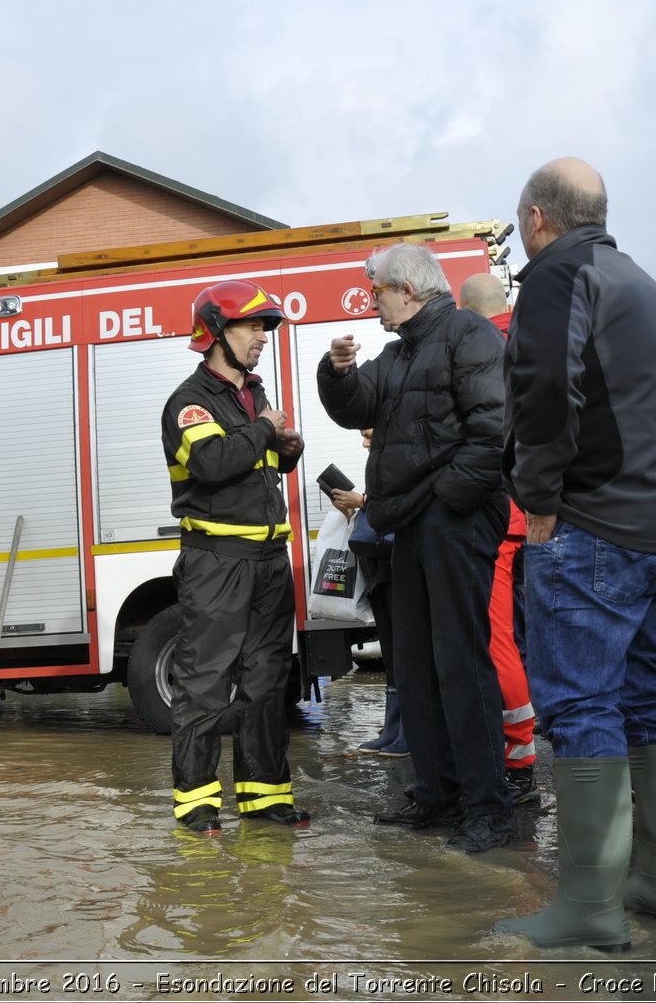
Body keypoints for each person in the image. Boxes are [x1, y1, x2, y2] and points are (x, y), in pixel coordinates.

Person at [497, 157, 656, 951]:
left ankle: (588, 902)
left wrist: (540, 500)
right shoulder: (647, 287)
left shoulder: (555, 276)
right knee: (649, 700)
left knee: (581, 707)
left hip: (590, 529)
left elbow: (545, 388)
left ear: (539, 219)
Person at [317, 243, 514, 854]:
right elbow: (352, 408)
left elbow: (492, 430)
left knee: (460, 661)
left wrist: (446, 499)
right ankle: (437, 792)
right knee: (416, 666)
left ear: (405, 287)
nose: (373, 304)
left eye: (376, 292)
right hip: (412, 525)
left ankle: (488, 808)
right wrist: (340, 370)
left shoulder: (467, 335)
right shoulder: (398, 353)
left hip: (453, 522)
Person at [160, 280, 309, 835]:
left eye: (266, 327)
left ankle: (265, 799)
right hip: (217, 564)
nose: (262, 338)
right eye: (252, 327)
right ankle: (197, 807)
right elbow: (215, 464)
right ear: (216, 332)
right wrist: (265, 428)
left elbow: (261, 459)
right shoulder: (189, 401)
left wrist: (288, 449)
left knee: (268, 683)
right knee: (204, 685)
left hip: (269, 559)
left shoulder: (253, 394)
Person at [457, 271, 539, 804]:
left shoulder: (480, 350)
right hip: (547, 511)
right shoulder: (534, 341)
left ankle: (519, 757)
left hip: (500, 516)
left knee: (497, 638)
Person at [328, 431, 407, 758]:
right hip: (378, 572)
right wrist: (354, 511)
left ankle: (408, 734)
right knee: (391, 656)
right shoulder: (379, 466)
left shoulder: (402, 461)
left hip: (398, 571)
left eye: (369, 436)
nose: (364, 444)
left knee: (405, 656)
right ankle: (392, 729)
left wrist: (361, 502)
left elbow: (402, 508)